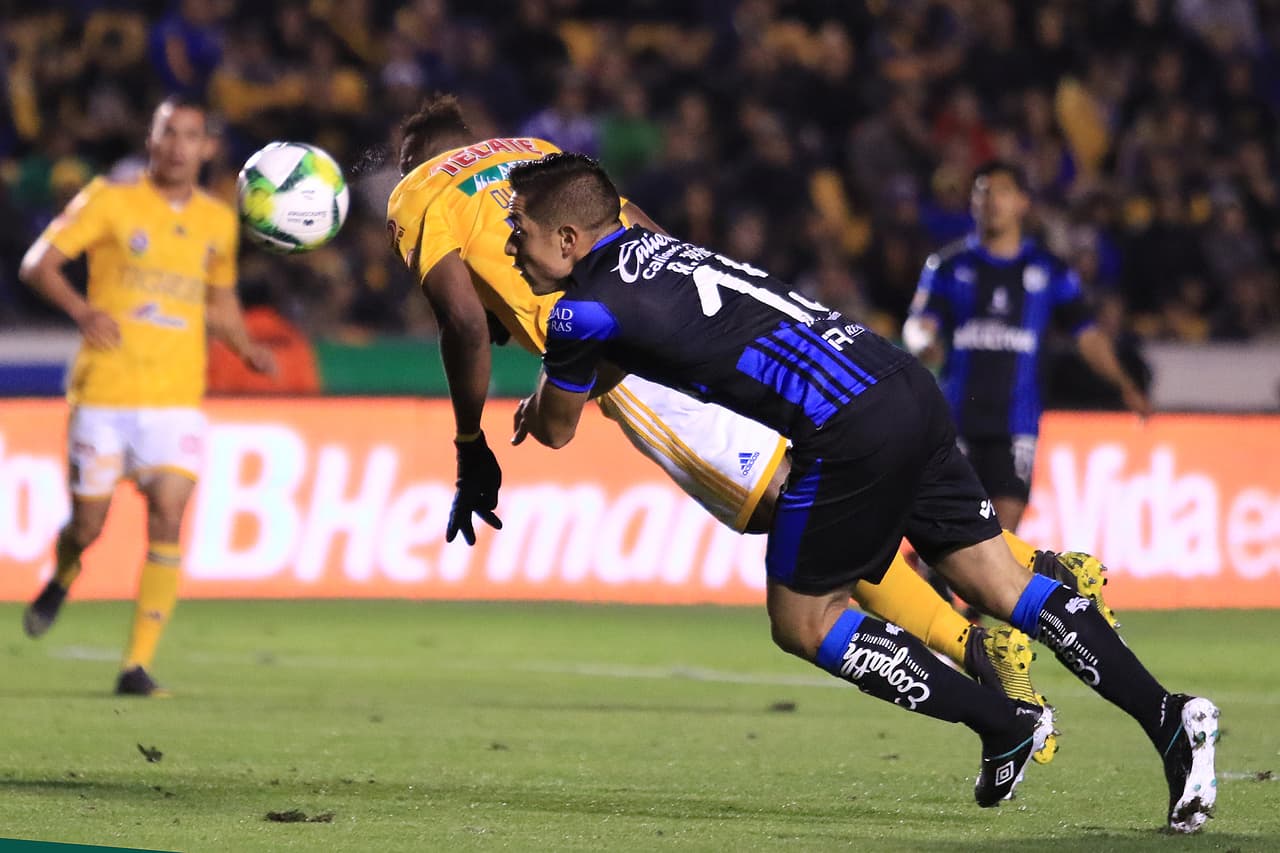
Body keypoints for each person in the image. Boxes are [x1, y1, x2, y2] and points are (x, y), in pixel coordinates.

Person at [385, 95, 1120, 764]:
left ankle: (982, 638)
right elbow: (647, 236)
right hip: (692, 320)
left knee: (803, 513)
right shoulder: (532, 155)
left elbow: (462, 325)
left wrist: (471, 447)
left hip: (628, 367)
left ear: (415, 156)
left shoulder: (418, 192)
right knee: (827, 499)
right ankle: (1020, 580)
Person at [506, 152, 1218, 830]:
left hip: (843, 429)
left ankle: (1004, 723)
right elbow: (630, 347)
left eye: (520, 231)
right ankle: (1169, 718)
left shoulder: (578, 311)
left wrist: (537, 403)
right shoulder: (658, 248)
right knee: (1004, 582)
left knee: (804, 620)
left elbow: (558, 429)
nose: (509, 248)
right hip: (900, 381)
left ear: (568, 239)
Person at [18, 96, 273, 696]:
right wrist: (83, 311)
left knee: (168, 514)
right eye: (168, 134)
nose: (178, 146)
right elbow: (37, 265)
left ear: (208, 148)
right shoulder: (110, 200)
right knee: (88, 525)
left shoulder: (217, 221)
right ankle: (65, 571)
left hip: (176, 398)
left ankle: (136, 665)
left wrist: (247, 348)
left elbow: (221, 303)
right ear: (151, 142)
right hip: (104, 391)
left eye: (191, 136)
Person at [903, 160, 1151, 532]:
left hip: (1016, 423)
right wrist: (924, 343)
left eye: (1003, 191)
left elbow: (1087, 336)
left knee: (1002, 534)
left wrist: (1124, 383)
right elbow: (917, 325)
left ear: (1023, 202)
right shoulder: (948, 265)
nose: (992, 201)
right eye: (983, 192)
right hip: (956, 421)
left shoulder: (1049, 269)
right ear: (972, 202)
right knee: (948, 531)